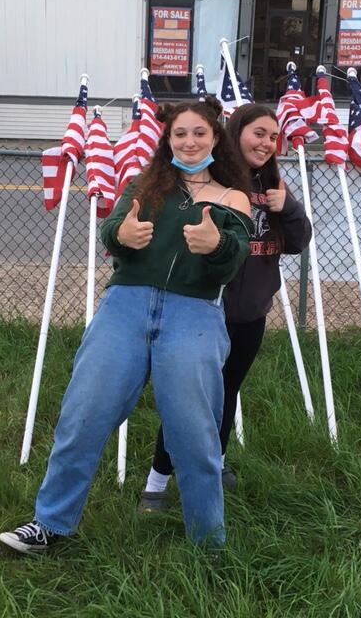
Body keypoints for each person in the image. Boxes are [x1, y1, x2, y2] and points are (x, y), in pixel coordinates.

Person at [0, 96, 253, 553]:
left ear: (216, 138)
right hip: (124, 307)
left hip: (194, 314)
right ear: (167, 139)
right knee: (83, 414)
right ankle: (50, 523)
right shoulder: (144, 185)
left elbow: (232, 263)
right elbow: (111, 230)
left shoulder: (233, 197)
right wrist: (121, 234)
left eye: (199, 132)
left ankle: (209, 544)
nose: (189, 141)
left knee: (195, 433)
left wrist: (216, 246)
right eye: (179, 133)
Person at [139, 103, 312, 510]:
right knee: (188, 398)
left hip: (250, 316)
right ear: (235, 133)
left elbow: (299, 240)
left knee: (226, 393)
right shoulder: (213, 182)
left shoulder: (273, 186)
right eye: (259, 133)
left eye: (273, 137)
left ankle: (213, 463)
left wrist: (286, 207)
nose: (267, 143)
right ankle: (156, 483)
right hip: (204, 311)